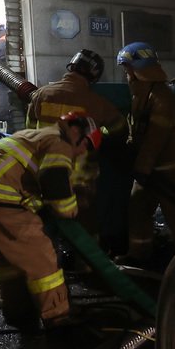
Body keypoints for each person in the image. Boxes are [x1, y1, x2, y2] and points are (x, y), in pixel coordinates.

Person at [0, 114, 97, 331]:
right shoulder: (60, 142)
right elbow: (54, 180)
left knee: (11, 258)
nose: (83, 152)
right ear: (76, 132)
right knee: (41, 256)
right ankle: (58, 317)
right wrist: (70, 211)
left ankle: (17, 310)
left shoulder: (37, 136)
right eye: (86, 145)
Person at [26, 49, 127, 241]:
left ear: (71, 66)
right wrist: (98, 135)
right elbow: (120, 130)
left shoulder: (41, 95)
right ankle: (86, 267)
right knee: (85, 225)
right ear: (94, 75)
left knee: (44, 224)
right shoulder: (97, 102)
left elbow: (30, 131)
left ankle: (49, 263)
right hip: (79, 178)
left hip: (43, 173)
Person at [117, 42, 175, 264]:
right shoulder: (142, 96)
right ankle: (138, 255)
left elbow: (155, 139)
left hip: (164, 170)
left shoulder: (163, 97)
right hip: (148, 168)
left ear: (139, 70)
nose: (127, 75)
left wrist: (141, 167)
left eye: (128, 70)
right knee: (138, 210)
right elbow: (137, 132)